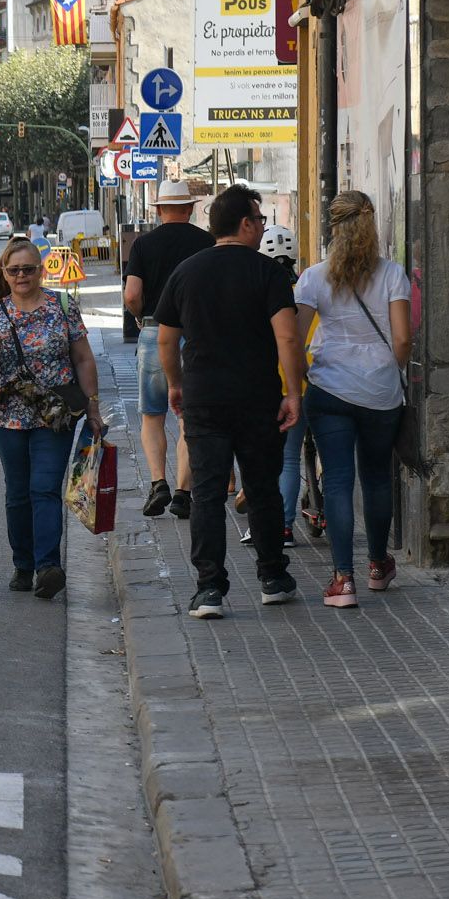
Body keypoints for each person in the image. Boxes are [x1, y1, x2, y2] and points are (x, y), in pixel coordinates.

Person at [153, 185, 303, 619]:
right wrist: (293, 392)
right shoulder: (269, 273)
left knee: (207, 491)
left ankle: (209, 589)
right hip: (257, 397)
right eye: (259, 219)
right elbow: (288, 336)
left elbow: (166, 337)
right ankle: (273, 577)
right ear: (245, 224)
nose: (262, 227)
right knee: (261, 488)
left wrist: (176, 384)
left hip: (204, 398)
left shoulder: (186, 272)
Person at [294, 190, 413, 609]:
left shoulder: (313, 277)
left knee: (339, 481)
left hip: (328, 390)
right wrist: (388, 369)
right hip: (380, 392)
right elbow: (402, 338)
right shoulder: (393, 274)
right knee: (378, 477)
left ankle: (343, 581)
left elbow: (293, 337)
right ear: (372, 223)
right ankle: (378, 565)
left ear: (333, 227)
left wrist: (305, 373)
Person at [0, 235, 103, 598]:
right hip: (7, 416)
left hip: (55, 415)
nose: (21, 275)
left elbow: (83, 359)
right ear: (5, 273)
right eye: (14, 270)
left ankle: (48, 566)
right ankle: (22, 564)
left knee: (44, 487)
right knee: (18, 492)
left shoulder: (62, 307)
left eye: (28, 269)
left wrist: (92, 406)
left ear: (41, 270)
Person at [122, 181, 213, 520]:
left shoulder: (144, 244)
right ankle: (182, 493)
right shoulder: (206, 243)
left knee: (152, 415)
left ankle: (158, 481)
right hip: (196, 335)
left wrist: (141, 317)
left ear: (158, 210)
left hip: (153, 333)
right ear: (190, 208)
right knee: (190, 416)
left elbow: (132, 295)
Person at [239, 223, 306, 551]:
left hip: (272, 385)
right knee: (294, 457)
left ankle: (278, 526)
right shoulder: (305, 287)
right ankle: (288, 524)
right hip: (308, 383)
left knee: (276, 459)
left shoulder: (260, 286)